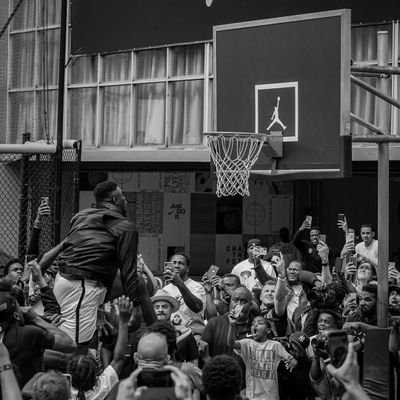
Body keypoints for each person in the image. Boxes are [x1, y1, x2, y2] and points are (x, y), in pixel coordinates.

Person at [46, 180, 141, 345]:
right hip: (82, 285)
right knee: (72, 347)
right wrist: (137, 308)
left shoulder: (80, 216)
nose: (125, 199)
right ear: (115, 200)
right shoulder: (125, 226)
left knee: (64, 338)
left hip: (67, 280)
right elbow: (128, 270)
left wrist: (100, 305)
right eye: (122, 196)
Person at [0, 290, 77, 387]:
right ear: (16, 315)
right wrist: (36, 319)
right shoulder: (28, 333)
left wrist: (44, 333)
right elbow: (71, 345)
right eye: (21, 308)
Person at [67, 296, 133, 400]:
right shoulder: (103, 387)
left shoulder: (61, 391)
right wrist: (123, 322)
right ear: (95, 375)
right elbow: (119, 358)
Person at [228, 313, 297, 400]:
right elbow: (231, 343)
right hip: (252, 397)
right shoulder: (247, 344)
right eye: (253, 323)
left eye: (260, 323)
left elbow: (292, 359)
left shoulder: (275, 345)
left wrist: (293, 361)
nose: (255, 325)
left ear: (268, 330)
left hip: (271, 397)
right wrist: (232, 325)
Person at [163, 253, 205, 337]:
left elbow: (197, 307)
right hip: (172, 333)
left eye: (181, 263)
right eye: (174, 263)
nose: (177, 265)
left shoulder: (196, 286)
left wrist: (179, 284)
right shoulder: (166, 289)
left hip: (193, 333)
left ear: (187, 269)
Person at [151, 289, 198, 364]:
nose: (160, 310)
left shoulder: (185, 333)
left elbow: (193, 362)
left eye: (164, 307)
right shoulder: (146, 333)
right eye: (156, 307)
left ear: (172, 309)